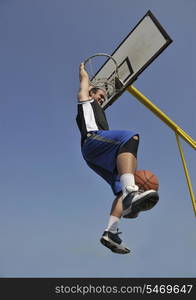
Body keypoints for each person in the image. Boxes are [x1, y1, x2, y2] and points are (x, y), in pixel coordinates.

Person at [76, 62, 159, 254]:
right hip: (92, 140)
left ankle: (110, 232)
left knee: (119, 189)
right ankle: (132, 192)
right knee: (130, 137)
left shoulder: (99, 112)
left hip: (94, 156)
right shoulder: (84, 100)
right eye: (100, 95)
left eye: (104, 97)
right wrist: (83, 72)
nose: (103, 99)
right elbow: (84, 85)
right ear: (90, 93)